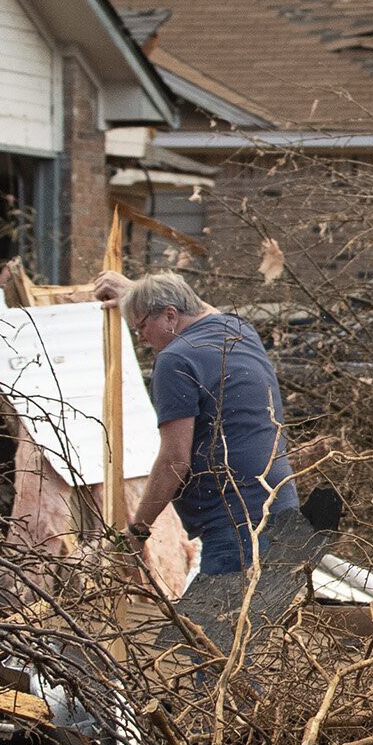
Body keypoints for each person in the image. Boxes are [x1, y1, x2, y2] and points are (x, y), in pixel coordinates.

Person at [99, 270, 314, 645]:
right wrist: (136, 292)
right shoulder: (237, 330)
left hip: (237, 524)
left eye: (141, 327)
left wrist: (138, 529)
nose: (140, 338)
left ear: (169, 315)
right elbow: (201, 310)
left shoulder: (175, 360)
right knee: (249, 643)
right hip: (280, 512)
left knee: (214, 651)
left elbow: (174, 460)